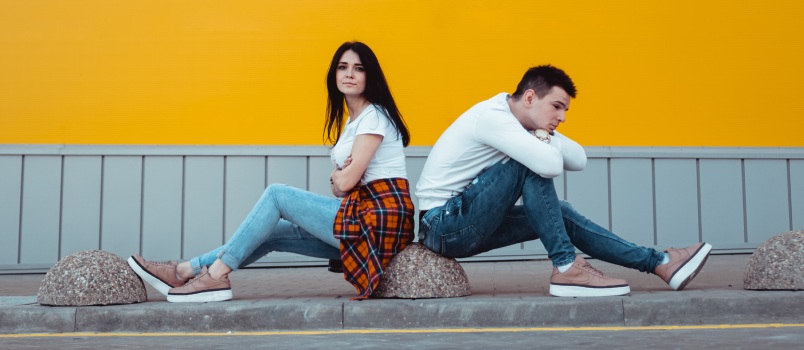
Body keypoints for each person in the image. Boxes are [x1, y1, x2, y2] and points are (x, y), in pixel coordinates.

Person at [128, 41, 415, 302]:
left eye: (358, 68)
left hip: (378, 220)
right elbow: (339, 188)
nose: (349, 74)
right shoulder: (354, 123)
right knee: (271, 232)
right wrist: (340, 178)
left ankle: (215, 277)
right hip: (360, 216)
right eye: (343, 67)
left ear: (370, 76)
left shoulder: (373, 117)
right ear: (334, 74)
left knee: (278, 195)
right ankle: (183, 270)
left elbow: (346, 180)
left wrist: (340, 176)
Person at [415, 65, 712, 297]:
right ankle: (567, 265)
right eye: (556, 106)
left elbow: (578, 158)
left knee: (563, 214)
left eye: (565, 110)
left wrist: (541, 135)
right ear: (530, 97)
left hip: (464, 223)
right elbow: (549, 164)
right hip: (443, 224)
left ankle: (660, 262)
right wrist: (542, 140)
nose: (563, 117)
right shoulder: (492, 117)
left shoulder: (524, 123)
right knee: (529, 164)